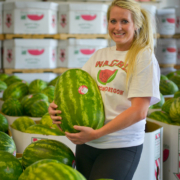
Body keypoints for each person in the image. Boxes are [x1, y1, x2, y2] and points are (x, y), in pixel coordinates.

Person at [48, 0, 160, 179]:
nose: (117, 27)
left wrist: (97, 134)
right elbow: (76, 91)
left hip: (120, 147)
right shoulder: (99, 55)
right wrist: (54, 107)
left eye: (124, 21)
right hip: (88, 144)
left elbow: (139, 111)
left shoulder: (143, 57)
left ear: (137, 24)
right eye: (113, 21)